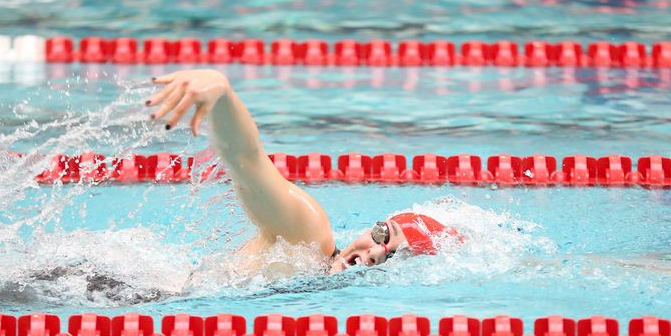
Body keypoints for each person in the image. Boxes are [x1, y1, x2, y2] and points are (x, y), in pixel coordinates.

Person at [146, 68, 460, 275]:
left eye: (395, 257)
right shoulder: (308, 237)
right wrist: (223, 94)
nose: (376, 253)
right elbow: (247, 159)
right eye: (383, 235)